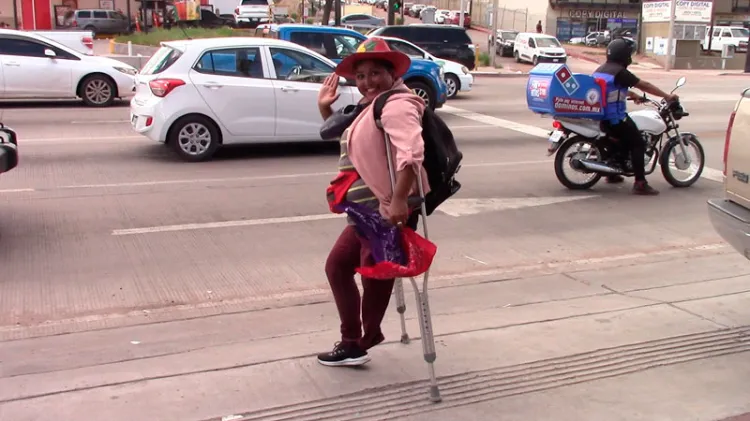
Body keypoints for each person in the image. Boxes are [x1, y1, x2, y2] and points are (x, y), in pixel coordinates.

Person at [316, 38, 430, 367]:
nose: (367, 81)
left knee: (376, 272)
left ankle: (362, 340)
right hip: (364, 212)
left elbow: (411, 152)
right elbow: (348, 141)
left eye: (375, 73)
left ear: (392, 73)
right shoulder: (372, 105)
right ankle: (353, 340)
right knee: (339, 267)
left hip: (384, 211)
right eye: (361, 75)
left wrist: (397, 202)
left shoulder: (397, 104)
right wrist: (326, 108)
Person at [593, 37, 679, 195]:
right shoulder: (621, 72)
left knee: (622, 142)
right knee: (638, 143)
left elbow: (612, 89)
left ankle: (612, 174)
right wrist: (667, 96)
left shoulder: (602, 69)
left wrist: (633, 95)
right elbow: (644, 84)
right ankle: (640, 183)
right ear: (624, 55)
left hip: (602, 117)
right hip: (615, 118)